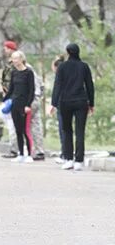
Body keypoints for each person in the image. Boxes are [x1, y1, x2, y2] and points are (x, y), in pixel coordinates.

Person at [50, 43, 94, 171]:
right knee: (80, 131)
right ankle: (79, 161)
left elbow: (57, 85)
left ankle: (69, 159)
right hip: (81, 101)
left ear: (68, 52)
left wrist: (53, 103)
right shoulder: (84, 66)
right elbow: (89, 86)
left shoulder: (62, 66)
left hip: (65, 102)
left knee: (67, 130)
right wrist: (91, 103)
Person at [3, 51, 35, 163]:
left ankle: (30, 154)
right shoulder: (14, 73)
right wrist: (5, 100)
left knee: (26, 130)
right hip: (14, 104)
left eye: (16, 59)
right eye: (13, 59)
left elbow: (32, 90)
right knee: (18, 130)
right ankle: (20, 153)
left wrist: (28, 104)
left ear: (22, 59)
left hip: (24, 105)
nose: (14, 61)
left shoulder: (28, 73)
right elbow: (11, 89)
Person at [51, 55, 66, 164]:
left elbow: (56, 91)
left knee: (63, 130)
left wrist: (53, 104)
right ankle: (66, 153)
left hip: (62, 105)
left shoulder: (59, 76)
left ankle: (64, 154)